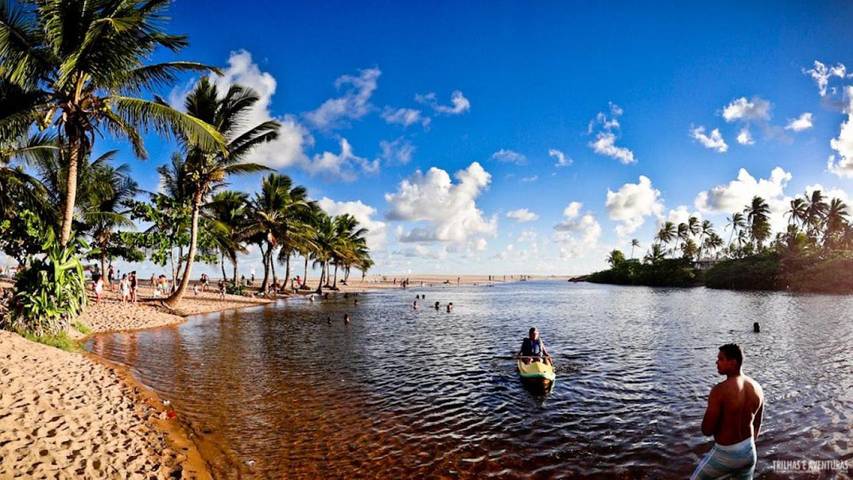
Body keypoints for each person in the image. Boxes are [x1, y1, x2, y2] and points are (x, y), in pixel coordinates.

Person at [691, 344, 764, 480]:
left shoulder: (719, 391)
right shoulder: (757, 387)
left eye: (721, 359)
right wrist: (744, 448)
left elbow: (707, 430)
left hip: (725, 454)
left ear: (733, 362)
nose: (716, 362)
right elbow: (758, 423)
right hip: (749, 451)